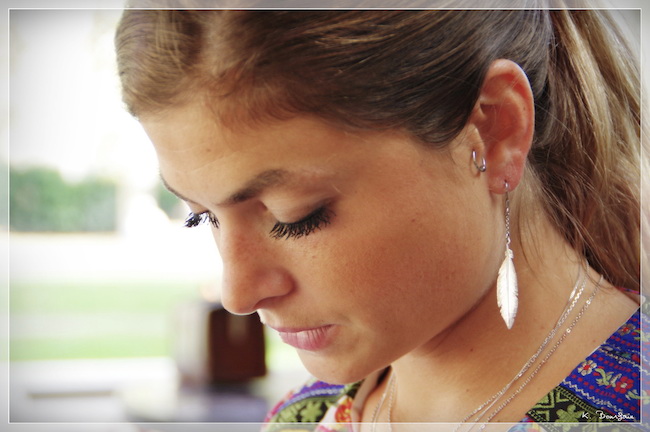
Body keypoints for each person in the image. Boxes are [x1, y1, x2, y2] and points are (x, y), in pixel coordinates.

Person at [115, 2, 647, 430]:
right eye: (201, 215)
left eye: (297, 216)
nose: (239, 294)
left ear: (493, 130)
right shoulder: (303, 417)